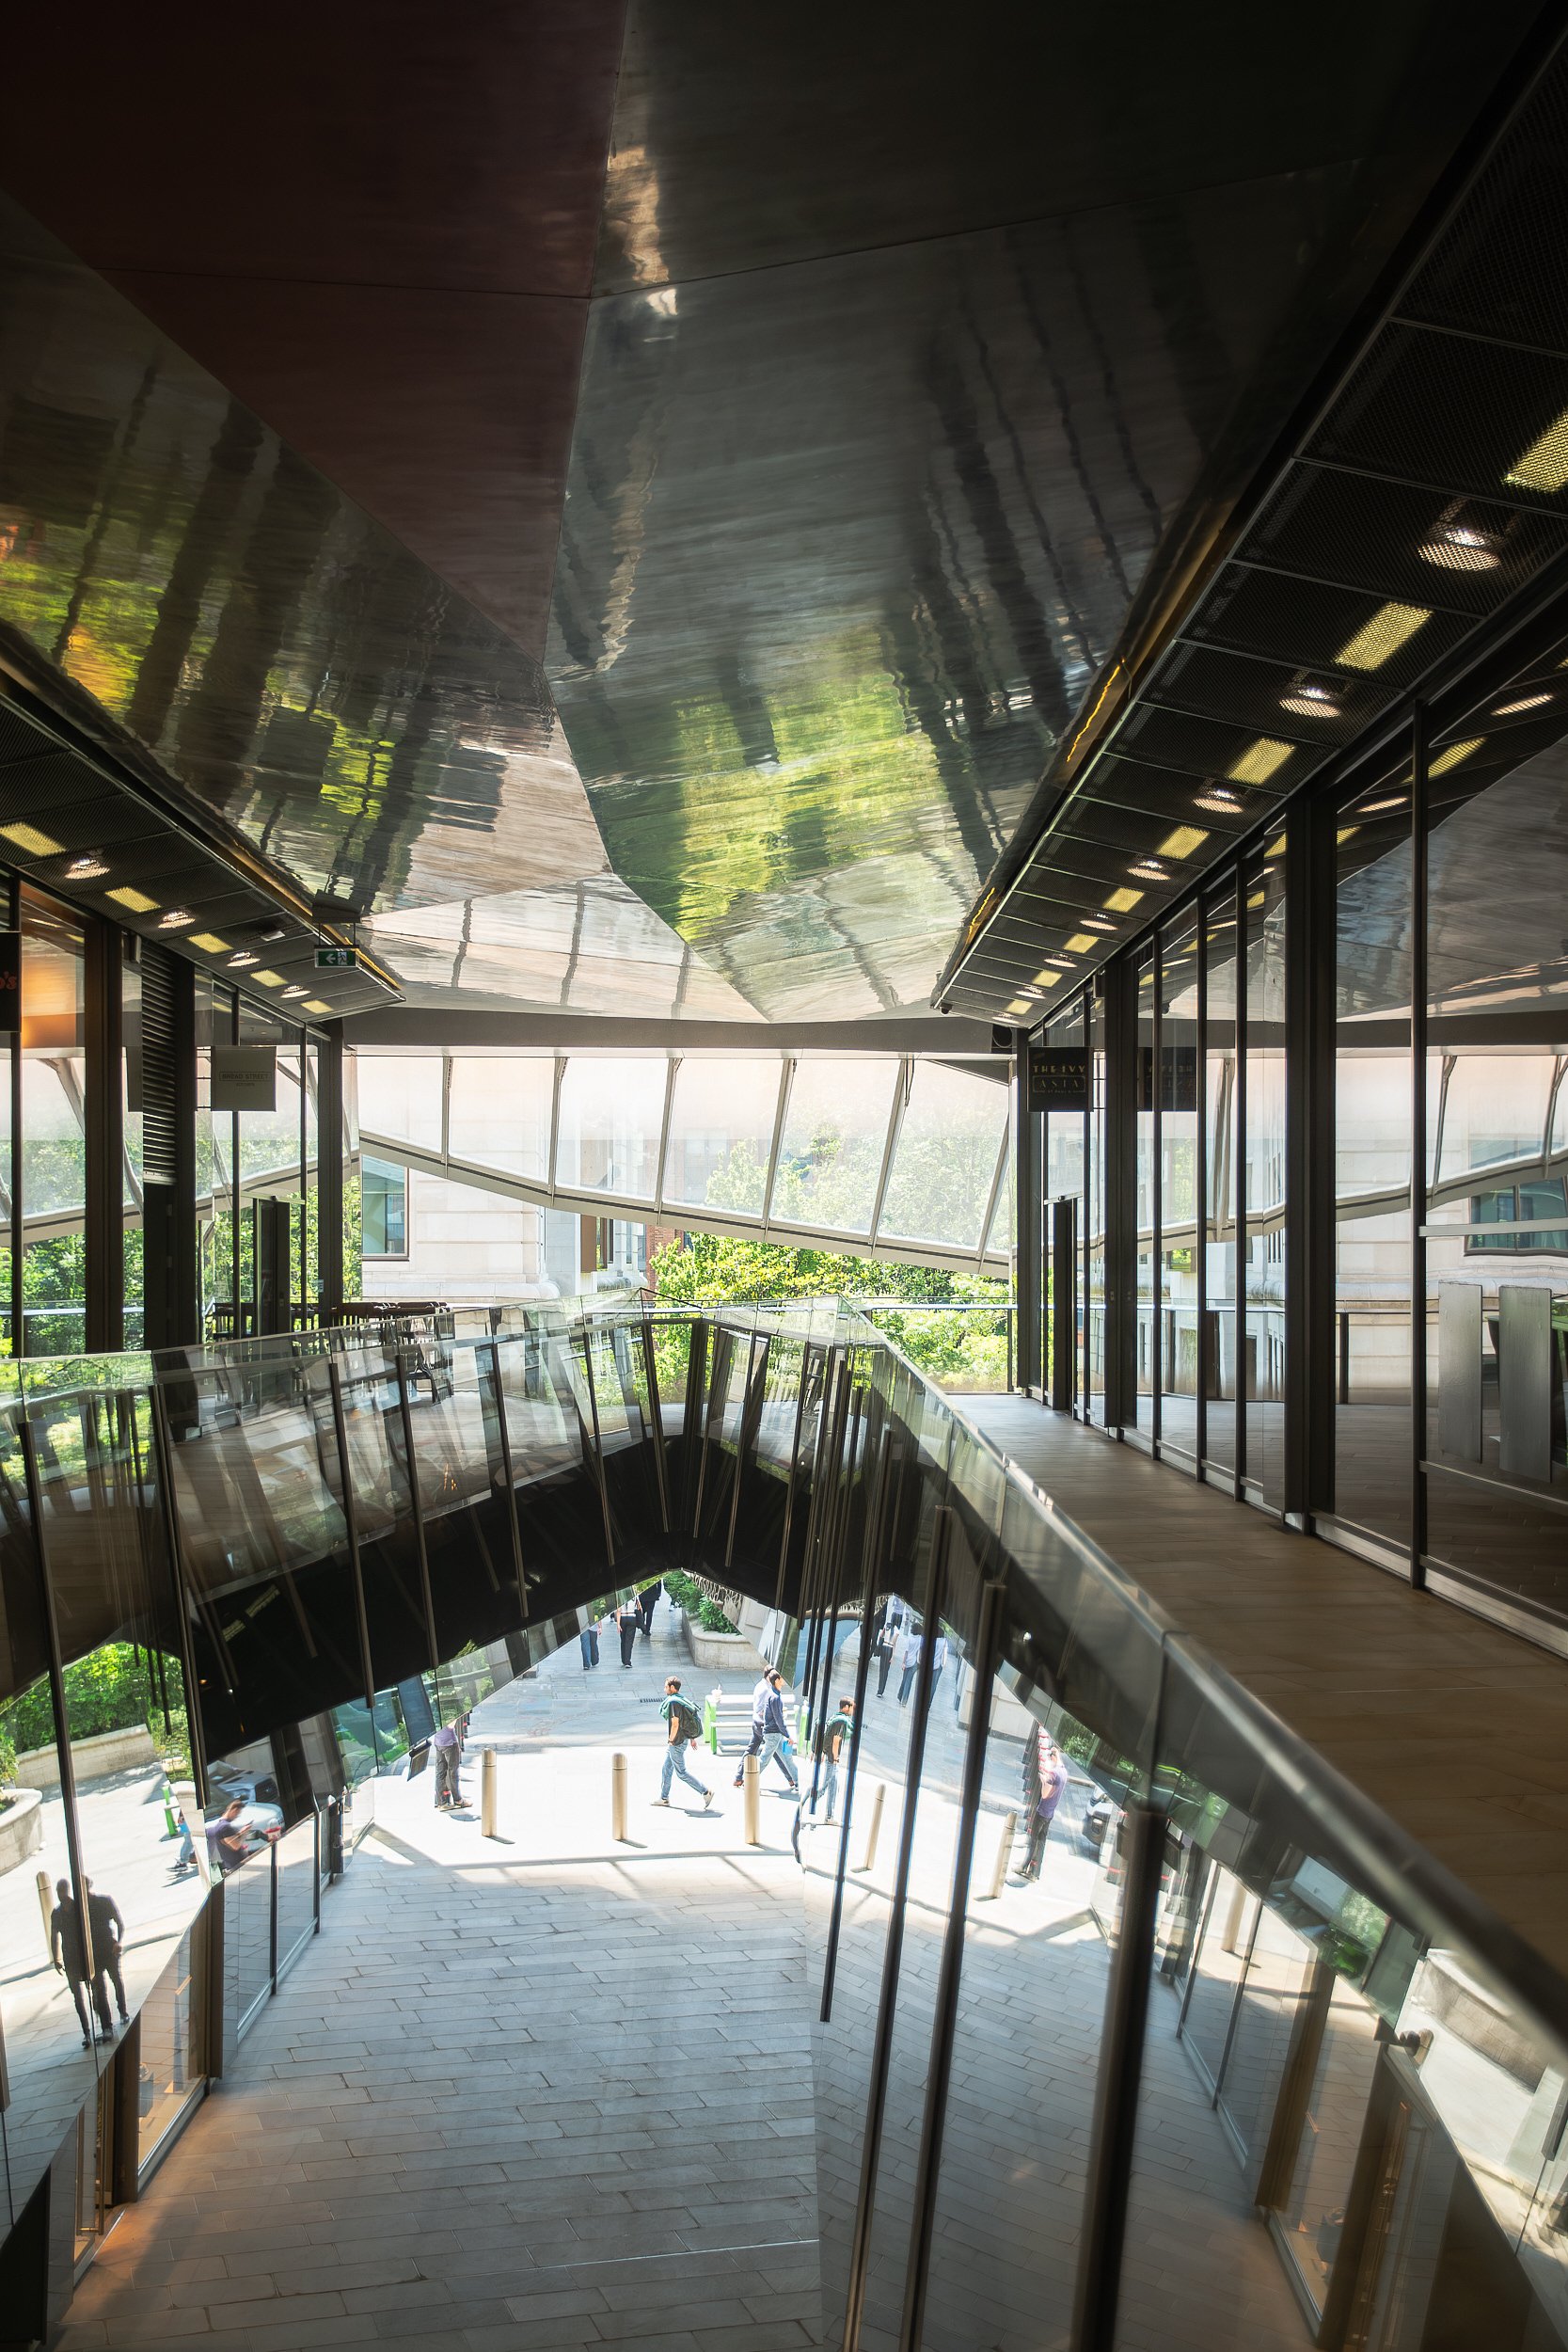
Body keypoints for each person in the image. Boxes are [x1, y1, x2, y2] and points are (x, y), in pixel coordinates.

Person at [51, 1879, 113, 2046]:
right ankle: (87, 2032)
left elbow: (91, 1928)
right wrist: (56, 1958)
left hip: (86, 1955)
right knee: (78, 1998)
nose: (60, 1894)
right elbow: (54, 1935)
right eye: (58, 1891)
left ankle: (106, 2026)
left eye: (62, 1890)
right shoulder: (57, 1913)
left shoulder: (79, 1907)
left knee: (98, 1991)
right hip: (71, 1958)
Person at [654, 1677, 713, 1809]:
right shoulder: (681, 1698)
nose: (664, 1689)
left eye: (666, 1687)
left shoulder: (674, 1702)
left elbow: (675, 1724)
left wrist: (671, 1740)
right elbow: (687, 1719)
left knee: (681, 1773)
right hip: (680, 1740)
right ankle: (664, 1798)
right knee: (666, 1768)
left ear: (672, 1687)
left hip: (677, 1742)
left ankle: (705, 1792)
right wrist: (691, 1738)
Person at [1017, 1731, 1068, 1883]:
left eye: (1050, 1759)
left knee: (1033, 1840)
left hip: (1042, 1811)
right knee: (1041, 1842)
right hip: (1050, 1813)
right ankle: (1035, 1872)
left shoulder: (1054, 1773)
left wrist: (1044, 1779)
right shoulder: (1064, 1772)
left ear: (1053, 1756)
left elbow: (1045, 1794)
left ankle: (1024, 1867)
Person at [84, 1879, 130, 2025]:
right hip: (99, 1950)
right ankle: (111, 2020)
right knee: (105, 1985)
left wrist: (119, 1942)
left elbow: (120, 1923)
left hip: (105, 1948)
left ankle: (120, 2013)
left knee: (112, 1982)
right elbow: (119, 1923)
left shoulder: (102, 1902)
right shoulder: (99, 1902)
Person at [757, 1670, 800, 1795]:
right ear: (776, 1681)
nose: (783, 1680)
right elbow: (778, 1719)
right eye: (781, 1678)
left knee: (787, 1758)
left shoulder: (773, 1694)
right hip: (774, 1734)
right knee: (764, 1759)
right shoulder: (775, 1697)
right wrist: (788, 1735)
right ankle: (749, 1779)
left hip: (775, 1734)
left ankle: (798, 1782)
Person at [818, 1696, 855, 1823]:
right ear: (846, 1707)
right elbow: (836, 1741)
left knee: (833, 1787)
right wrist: (835, 1759)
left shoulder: (836, 1717)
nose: (853, 1711)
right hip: (832, 1759)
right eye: (852, 1708)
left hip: (830, 1758)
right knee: (825, 1788)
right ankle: (807, 1799)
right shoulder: (841, 1721)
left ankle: (829, 1816)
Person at [206, 1800, 250, 1876]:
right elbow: (235, 1846)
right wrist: (245, 1833)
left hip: (231, 1864)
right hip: (236, 1865)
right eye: (237, 1814)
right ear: (234, 1810)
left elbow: (229, 1840)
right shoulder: (225, 1827)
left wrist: (240, 1832)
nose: (236, 1817)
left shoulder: (220, 1825)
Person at [432, 1719, 464, 1808]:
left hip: (438, 1741)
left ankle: (441, 1802)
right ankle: (458, 1800)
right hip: (449, 1742)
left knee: (440, 1773)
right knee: (453, 1773)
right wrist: (456, 1717)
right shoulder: (448, 1711)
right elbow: (450, 1725)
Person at [923, 1630, 949, 1714]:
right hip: (938, 1666)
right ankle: (928, 1704)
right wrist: (943, 1664)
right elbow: (945, 1654)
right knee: (933, 1685)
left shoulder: (933, 1639)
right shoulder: (944, 1641)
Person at [617, 1597, 641, 1667]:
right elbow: (639, 1607)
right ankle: (627, 1661)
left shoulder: (620, 1596)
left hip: (623, 1618)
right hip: (632, 1617)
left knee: (623, 1640)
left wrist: (618, 1624)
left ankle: (623, 1659)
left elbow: (618, 1610)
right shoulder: (635, 1595)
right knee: (629, 1641)